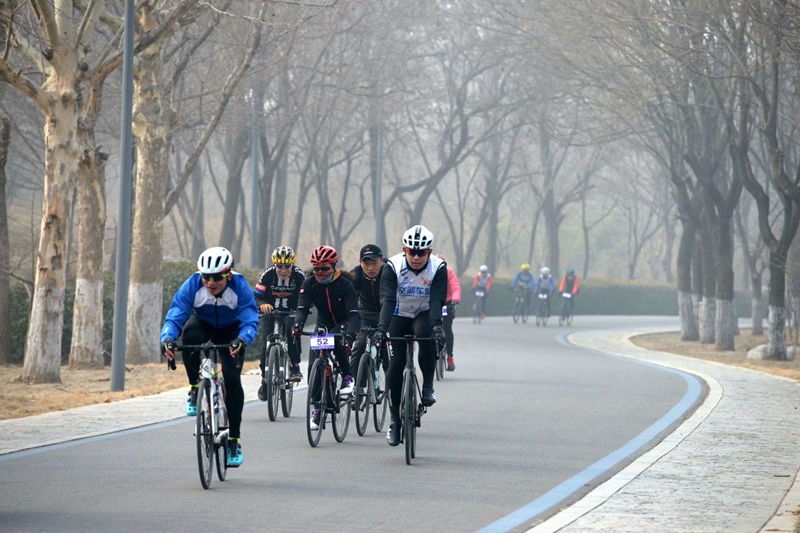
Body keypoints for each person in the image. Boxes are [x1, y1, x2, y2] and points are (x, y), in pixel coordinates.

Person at [161, 247, 258, 468]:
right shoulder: (193, 285)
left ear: (228, 275)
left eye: (216, 278)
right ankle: (195, 386)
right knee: (190, 336)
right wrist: (167, 339)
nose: (210, 283)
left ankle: (234, 440)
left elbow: (250, 318)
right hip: (203, 324)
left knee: (233, 381)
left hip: (231, 330)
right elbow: (176, 314)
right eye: (206, 277)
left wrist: (242, 340)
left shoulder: (239, 286)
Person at [372, 225, 447, 446]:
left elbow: (436, 300)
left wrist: (437, 327)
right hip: (398, 313)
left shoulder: (438, 267)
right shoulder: (392, 266)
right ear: (404, 250)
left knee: (426, 337)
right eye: (411, 251)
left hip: (424, 312)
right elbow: (387, 300)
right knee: (396, 363)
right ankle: (395, 421)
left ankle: (428, 387)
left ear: (429, 252)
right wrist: (381, 328)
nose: (415, 257)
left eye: (421, 252)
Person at [291, 245, 360, 430]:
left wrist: (351, 337)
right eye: (316, 268)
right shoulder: (309, 283)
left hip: (344, 321)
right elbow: (302, 308)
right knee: (314, 364)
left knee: (336, 339)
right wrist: (297, 325)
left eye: (325, 268)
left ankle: (347, 376)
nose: (320, 273)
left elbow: (354, 314)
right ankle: (317, 408)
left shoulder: (345, 284)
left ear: (334, 266)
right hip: (323, 323)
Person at [253, 246, 307, 401]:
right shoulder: (268, 274)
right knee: (265, 344)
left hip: (290, 310)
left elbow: (306, 295)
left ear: (292, 265)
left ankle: (295, 365)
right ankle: (265, 379)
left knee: (292, 332)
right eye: (280, 266)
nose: (283, 270)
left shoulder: (298, 275)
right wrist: (262, 304)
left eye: (287, 266)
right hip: (270, 311)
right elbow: (256, 295)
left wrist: (303, 308)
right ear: (274, 265)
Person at [349, 244, 385, 373]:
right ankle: (355, 385)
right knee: (360, 345)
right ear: (360, 263)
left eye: (374, 263)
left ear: (382, 260)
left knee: (388, 350)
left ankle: (391, 387)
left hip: (387, 313)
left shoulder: (390, 272)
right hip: (366, 314)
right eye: (366, 263)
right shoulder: (355, 275)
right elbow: (346, 296)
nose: (370, 268)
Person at [438, 254, 461, 371]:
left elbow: (455, 287)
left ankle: (450, 356)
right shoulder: (428, 273)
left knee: (447, 328)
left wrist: (455, 301)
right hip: (432, 304)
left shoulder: (449, 273)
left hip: (446, 304)